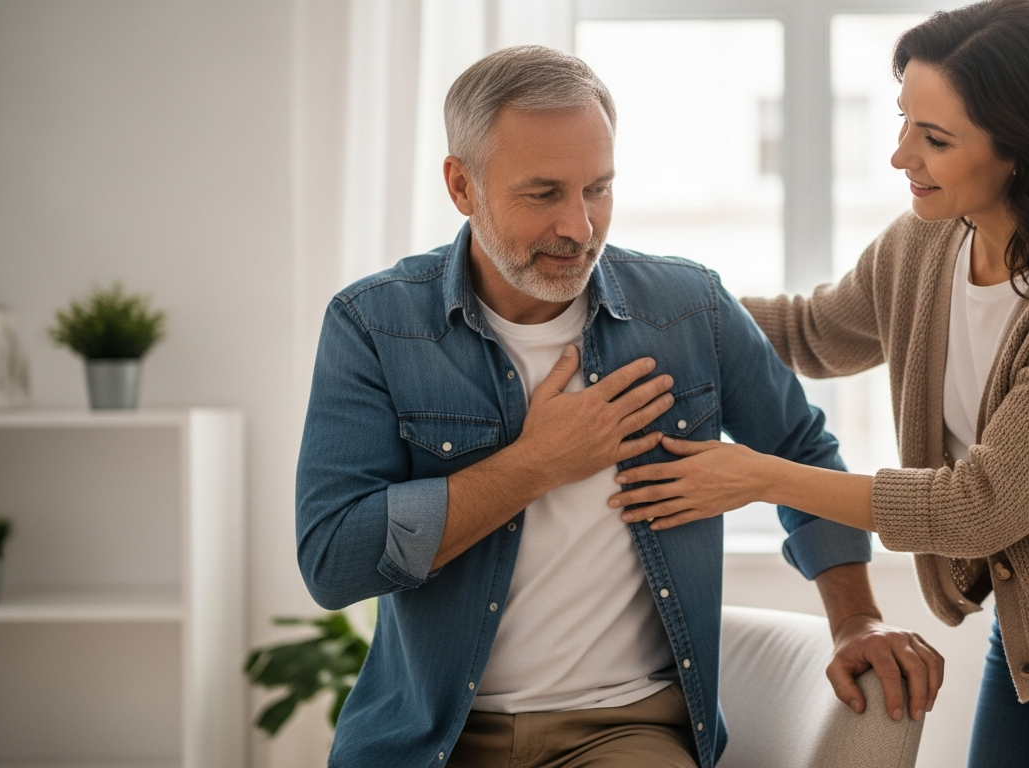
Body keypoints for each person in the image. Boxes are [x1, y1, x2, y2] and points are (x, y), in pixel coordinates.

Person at [605, 1, 1029, 766]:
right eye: (903, 122)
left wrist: (757, 478)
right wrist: (639, 302)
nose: (899, 156)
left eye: (935, 139)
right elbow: (811, 332)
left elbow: (980, 507)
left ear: (1021, 149)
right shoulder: (926, 242)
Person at [295, 45, 942, 768]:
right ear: (462, 185)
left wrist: (855, 618)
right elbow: (333, 559)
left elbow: (798, 449)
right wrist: (535, 465)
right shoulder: (375, 326)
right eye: (543, 194)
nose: (579, 227)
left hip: (623, 732)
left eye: (598, 188)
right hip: (431, 740)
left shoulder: (689, 308)